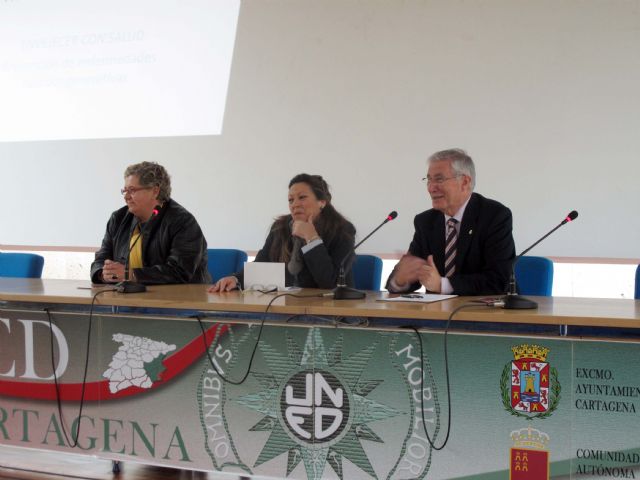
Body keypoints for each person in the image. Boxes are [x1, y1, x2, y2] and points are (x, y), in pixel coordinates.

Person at [386, 148, 515, 295]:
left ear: (465, 182)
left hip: (485, 313)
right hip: (435, 314)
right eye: (429, 179)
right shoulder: (426, 222)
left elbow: (499, 281)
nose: (431, 187)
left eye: (439, 179)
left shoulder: (494, 216)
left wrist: (442, 285)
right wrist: (400, 280)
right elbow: (403, 280)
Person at [209, 173, 356, 291]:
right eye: (290, 200)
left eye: (302, 197)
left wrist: (312, 238)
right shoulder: (280, 227)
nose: (295, 204)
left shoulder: (343, 230)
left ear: (322, 202)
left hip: (330, 311)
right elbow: (262, 263)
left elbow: (330, 282)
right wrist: (236, 279)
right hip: (286, 305)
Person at [91, 162, 211, 285]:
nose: (126, 197)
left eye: (132, 190)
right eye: (124, 191)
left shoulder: (183, 222)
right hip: (127, 298)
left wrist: (130, 274)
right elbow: (100, 259)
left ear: (155, 191)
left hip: (179, 300)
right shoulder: (118, 219)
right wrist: (104, 274)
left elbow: (179, 272)